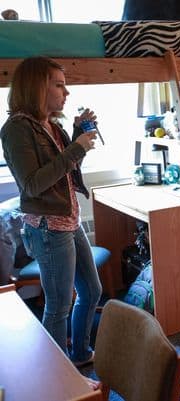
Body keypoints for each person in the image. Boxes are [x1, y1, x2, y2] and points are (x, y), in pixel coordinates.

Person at [0, 57, 102, 390]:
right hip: (47, 228)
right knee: (59, 305)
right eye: (58, 84)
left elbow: (65, 171)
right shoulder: (15, 129)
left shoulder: (51, 126)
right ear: (37, 87)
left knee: (92, 290)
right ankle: (55, 380)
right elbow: (32, 184)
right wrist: (75, 148)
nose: (66, 91)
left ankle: (80, 353)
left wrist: (76, 136)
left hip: (68, 219)